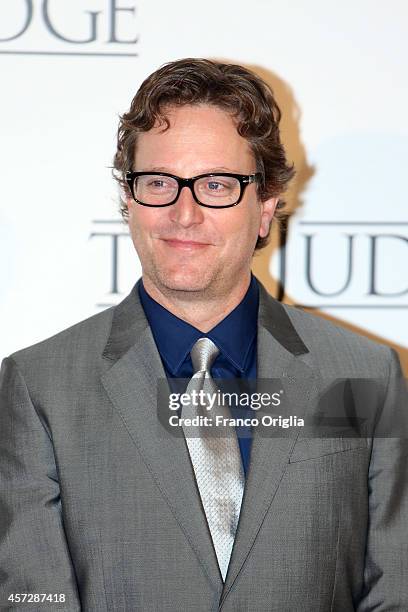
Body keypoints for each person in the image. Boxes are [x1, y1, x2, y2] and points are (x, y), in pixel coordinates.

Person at [0, 58, 406, 612]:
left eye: (216, 184)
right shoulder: (38, 386)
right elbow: (33, 599)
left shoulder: (363, 372)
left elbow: (395, 589)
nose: (183, 213)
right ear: (129, 200)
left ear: (265, 207)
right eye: (159, 182)